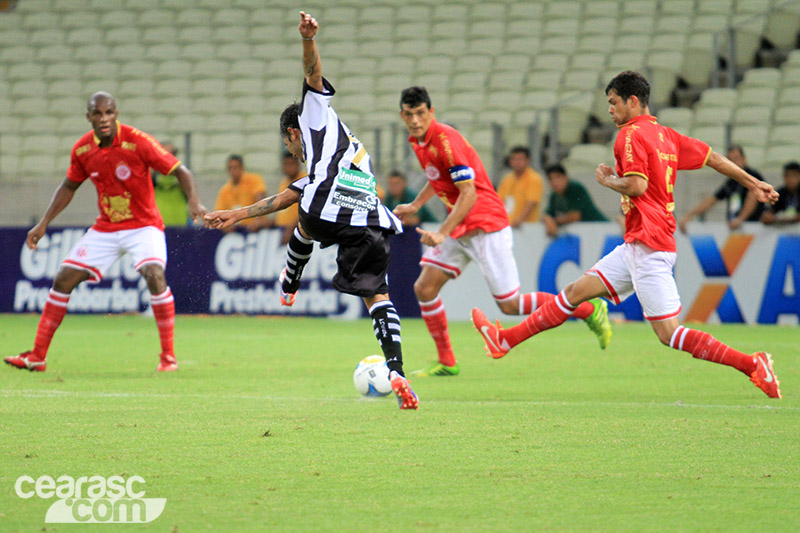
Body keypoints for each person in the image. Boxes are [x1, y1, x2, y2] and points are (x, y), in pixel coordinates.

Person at [472, 71, 782, 399]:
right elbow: (713, 158)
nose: (610, 110)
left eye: (614, 102)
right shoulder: (666, 136)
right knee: (574, 292)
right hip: (637, 244)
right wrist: (754, 183)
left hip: (649, 245)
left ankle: (752, 364)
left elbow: (637, 185)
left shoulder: (630, 135)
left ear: (633, 102)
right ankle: (505, 340)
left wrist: (608, 181)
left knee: (669, 334)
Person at [204, 12, 418, 409]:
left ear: (292, 132)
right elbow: (287, 195)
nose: (292, 152)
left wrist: (307, 40)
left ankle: (290, 279)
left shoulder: (312, 115)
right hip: (368, 214)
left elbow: (313, 74)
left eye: (289, 145)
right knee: (379, 295)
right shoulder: (341, 150)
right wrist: (238, 213)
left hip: (326, 208)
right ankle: (398, 371)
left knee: (306, 223)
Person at [393, 86, 611, 378]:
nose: (416, 120)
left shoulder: (446, 140)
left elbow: (468, 193)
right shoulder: (419, 142)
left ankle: (588, 310)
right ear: (402, 116)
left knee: (510, 305)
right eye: (409, 114)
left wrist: (443, 231)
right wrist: (416, 204)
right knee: (424, 288)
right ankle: (447, 361)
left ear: (431, 112)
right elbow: (438, 177)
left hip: (485, 225)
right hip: (461, 228)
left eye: (421, 113)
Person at [4, 91, 206, 373]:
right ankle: (37, 356)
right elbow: (68, 187)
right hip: (107, 227)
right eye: (97, 114)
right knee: (63, 279)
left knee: (154, 274)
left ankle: (168, 357)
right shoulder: (83, 150)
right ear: (89, 117)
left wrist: (194, 203)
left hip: (143, 225)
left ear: (116, 113)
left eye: (109, 112)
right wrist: (44, 222)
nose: (104, 118)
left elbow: (181, 171)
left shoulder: (138, 141)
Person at [679, 144, 765, 232]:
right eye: (730, 160)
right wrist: (690, 215)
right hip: (736, 227)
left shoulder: (753, 176)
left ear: (744, 159)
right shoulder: (731, 182)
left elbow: (753, 197)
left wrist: (741, 219)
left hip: (752, 227)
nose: (734, 163)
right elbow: (712, 199)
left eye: (736, 159)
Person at [543, 163, 608, 237]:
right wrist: (548, 220)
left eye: (558, 177)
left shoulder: (575, 188)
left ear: (566, 177)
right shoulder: (554, 195)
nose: (554, 182)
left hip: (598, 227)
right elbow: (547, 214)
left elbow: (575, 216)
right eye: (551, 179)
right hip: (585, 232)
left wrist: (554, 222)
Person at [214, 154, 269, 232]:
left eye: (236, 167)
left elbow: (260, 197)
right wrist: (224, 225)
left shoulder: (253, 180)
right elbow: (219, 212)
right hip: (236, 230)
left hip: (255, 229)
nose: (233, 171)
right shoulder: (225, 190)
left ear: (242, 167)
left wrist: (259, 219)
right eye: (230, 168)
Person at [496, 146, 544, 227]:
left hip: (526, 225)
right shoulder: (507, 179)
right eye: (514, 159)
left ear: (527, 160)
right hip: (508, 224)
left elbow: (531, 202)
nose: (517, 162)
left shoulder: (534, 179)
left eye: (520, 159)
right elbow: (500, 201)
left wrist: (519, 220)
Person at [152, 141, 190, 226]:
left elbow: (189, 194)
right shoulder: (151, 175)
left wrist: (178, 172)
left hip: (179, 222)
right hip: (157, 223)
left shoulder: (182, 175)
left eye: (172, 153)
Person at [273, 151, 308, 244]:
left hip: (297, 230)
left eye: (291, 164)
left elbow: (306, 210)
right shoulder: (283, 183)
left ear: (298, 165)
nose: (288, 168)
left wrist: (290, 229)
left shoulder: (305, 180)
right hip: (281, 230)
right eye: (285, 164)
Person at [761, 161, 800, 225]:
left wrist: (778, 219)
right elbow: (771, 212)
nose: (790, 179)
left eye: (794, 176)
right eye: (787, 175)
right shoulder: (781, 193)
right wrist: (767, 217)